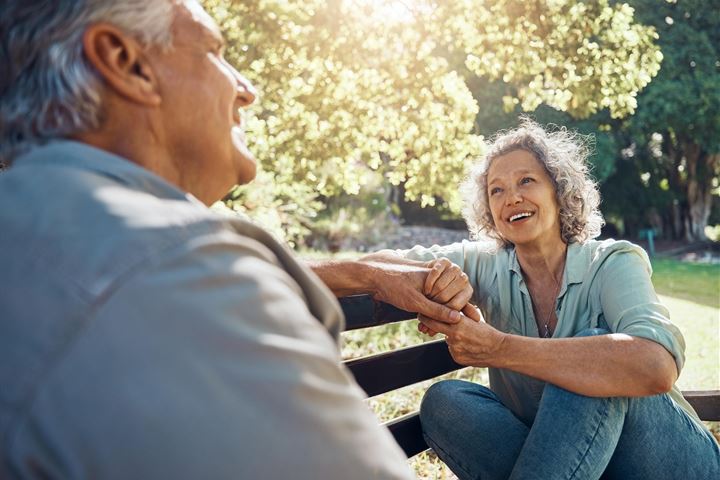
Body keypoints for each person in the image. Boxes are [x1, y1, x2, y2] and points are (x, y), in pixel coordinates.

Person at [0, 1, 464, 478]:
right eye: (213, 51)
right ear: (126, 63)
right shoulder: (187, 272)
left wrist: (361, 272)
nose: (248, 90)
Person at [313, 119, 720, 479]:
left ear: (561, 193)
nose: (511, 198)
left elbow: (655, 365)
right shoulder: (483, 264)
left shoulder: (613, 261)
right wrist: (370, 275)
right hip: (569, 462)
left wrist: (500, 349)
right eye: (497, 190)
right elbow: (383, 264)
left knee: (589, 360)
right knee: (447, 401)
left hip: (672, 462)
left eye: (527, 181)